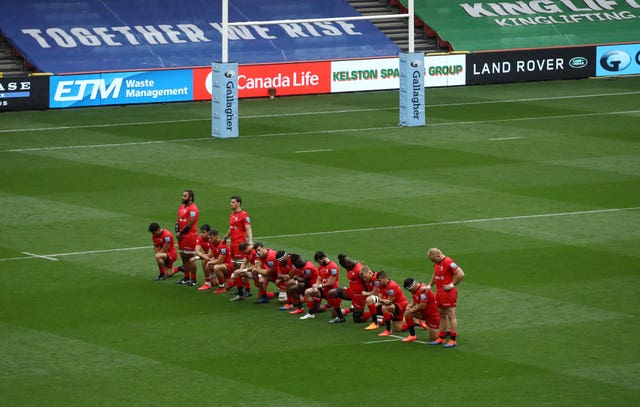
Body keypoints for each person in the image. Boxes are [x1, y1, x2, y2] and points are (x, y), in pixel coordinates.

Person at [427, 247, 465, 348]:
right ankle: (441, 337)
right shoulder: (437, 262)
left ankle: (453, 340)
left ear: (438, 255)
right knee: (441, 314)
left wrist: (451, 285)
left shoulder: (448, 262)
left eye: (434, 260)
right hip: (439, 293)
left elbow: (461, 274)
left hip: (449, 293)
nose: (433, 262)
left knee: (451, 315)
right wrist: (429, 286)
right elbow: (435, 274)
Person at [327, 253, 367, 324]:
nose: (345, 269)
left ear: (348, 263)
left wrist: (367, 295)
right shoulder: (350, 266)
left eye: (345, 267)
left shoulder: (359, 270)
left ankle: (373, 313)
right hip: (351, 292)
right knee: (331, 293)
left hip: (359, 297)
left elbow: (368, 282)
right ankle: (341, 317)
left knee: (357, 319)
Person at [299, 251, 340, 320]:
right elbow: (319, 278)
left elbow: (331, 283)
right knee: (307, 292)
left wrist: (319, 286)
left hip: (332, 292)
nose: (319, 263)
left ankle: (351, 309)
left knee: (335, 315)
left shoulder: (333, 267)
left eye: (319, 261)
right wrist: (316, 286)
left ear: (323, 258)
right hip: (323, 290)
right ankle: (311, 313)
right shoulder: (321, 266)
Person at [401, 277, 440, 343]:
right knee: (407, 313)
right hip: (424, 313)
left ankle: (446, 332)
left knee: (433, 338)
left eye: (410, 290)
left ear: (414, 285)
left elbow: (422, 306)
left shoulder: (423, 290)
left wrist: (413, 310)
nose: (410, 291)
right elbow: (413, 298)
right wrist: (410, 306)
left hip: (432, 315)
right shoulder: (414, 290)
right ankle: (412, 335)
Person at [371, 271, 408, 337]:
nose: (379, 283)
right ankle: (416, 323)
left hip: (401, 305)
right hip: (394, 305)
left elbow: (389, 302)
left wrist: (381, 302)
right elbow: (380, 298)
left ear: (384, 278)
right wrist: (382, 301)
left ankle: (388, 330)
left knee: (384, 308)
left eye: (380, 280)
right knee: (398, 329)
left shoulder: (392, 286)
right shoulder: (381, 285)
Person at [175, 189, 199, 286]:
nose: (182, 197)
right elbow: (177, 221)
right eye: (182, 195)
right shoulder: (181, 207)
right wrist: (177, 232)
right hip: (181, 236)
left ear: (190, 198)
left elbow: (190, 224)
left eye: (185, 196)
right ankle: (186, 277)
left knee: (190, 258)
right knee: (183, 257)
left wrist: (180, 233)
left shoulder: (193, 209)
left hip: (189, 236)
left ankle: (193, 279)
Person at [222, 195, 253, 268]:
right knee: (233, 264)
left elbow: (248, 228)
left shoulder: (244, 214)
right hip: (232, 243)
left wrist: (250, 240)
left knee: (240, 265)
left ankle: (243, 279)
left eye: (233, 202)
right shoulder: (232, 214)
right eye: (231, 202)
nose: (231, 204)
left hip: (240, 244)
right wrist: (225, 238)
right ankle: (236, 279)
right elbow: (231, 228)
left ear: (238, 203)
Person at [208, 229, 235, 294]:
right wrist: (196, 257)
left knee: (216, 267)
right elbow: (209, 255)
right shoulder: (212, 244)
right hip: (222, 266)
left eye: (211, 238)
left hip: (228, 266)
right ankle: (233, 282)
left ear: (216, 237)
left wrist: (211, 262)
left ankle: (221, 287)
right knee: (215, 283)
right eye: (209, 238)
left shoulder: (222, 246)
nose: (209, 239)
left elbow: (220, 261)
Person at [191, 224, 214, 291]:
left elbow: (210, 254)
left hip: (217, 257)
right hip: (210, 257)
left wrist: (196, 258)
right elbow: (197, 251)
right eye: (201, 232)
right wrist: (203, 256)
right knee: (215, 283)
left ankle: (208, 283)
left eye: (204, 232)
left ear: (209, 232)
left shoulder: (212, 239)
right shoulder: (200, 238)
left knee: (205, 262)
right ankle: (211, 278)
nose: (202, 234)